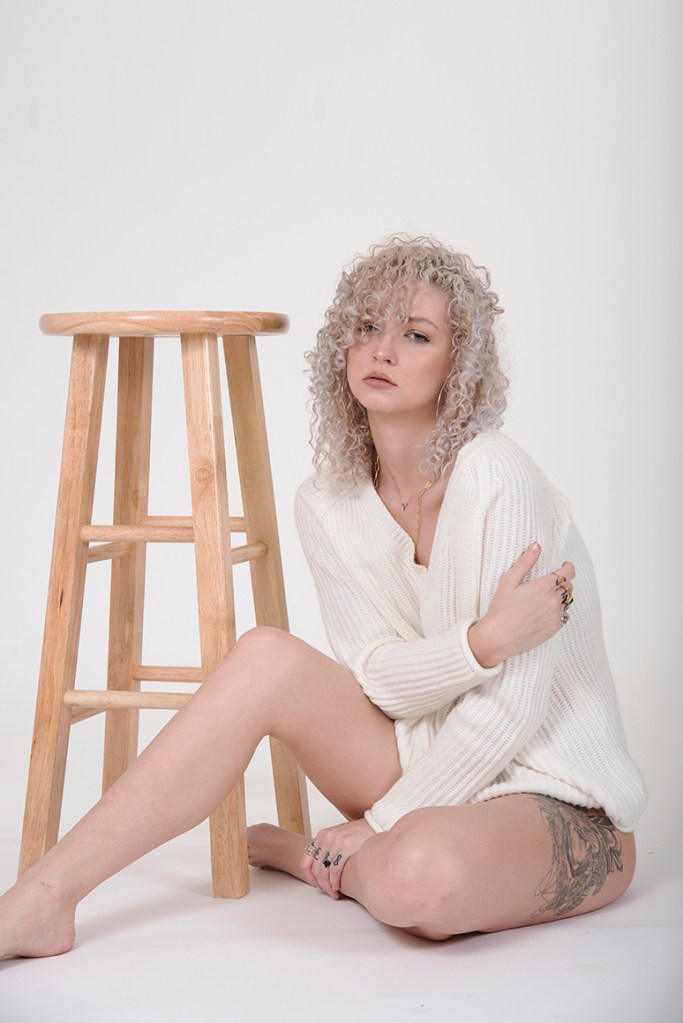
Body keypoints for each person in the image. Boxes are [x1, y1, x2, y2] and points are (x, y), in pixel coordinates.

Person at [0, 236, 646, 956]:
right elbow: (379, 682)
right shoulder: (327, 502)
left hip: (555, 796)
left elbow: (512, 708)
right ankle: (43, 898)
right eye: (367, 327)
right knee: (264, 656)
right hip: (423, 759)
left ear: (457, 363)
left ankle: (316, 858)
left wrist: (384, 820)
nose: (382, 350)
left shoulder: (498, 475)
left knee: (416, 878)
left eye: (416, 334)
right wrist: (481, 643)